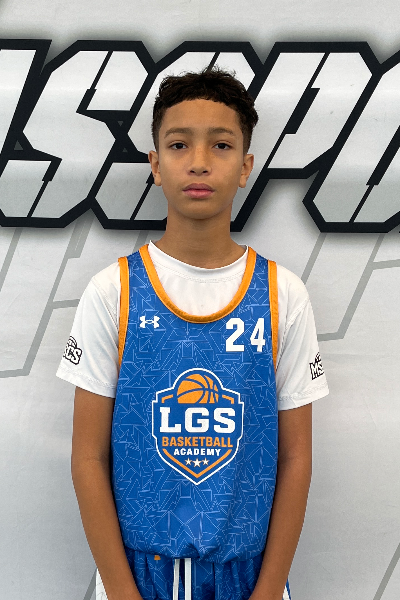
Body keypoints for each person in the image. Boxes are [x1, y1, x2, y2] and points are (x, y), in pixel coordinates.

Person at [57, 68, 329, 600]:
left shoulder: (283, 295)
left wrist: (268, 590)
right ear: (155, 164)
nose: (199, 161)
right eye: (179, 144)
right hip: (136, 578)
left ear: (246, 166)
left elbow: (296, 459)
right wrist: (121, 590)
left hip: (248, 577)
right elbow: (87, 457)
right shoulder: (113, 291)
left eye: (221, 145)